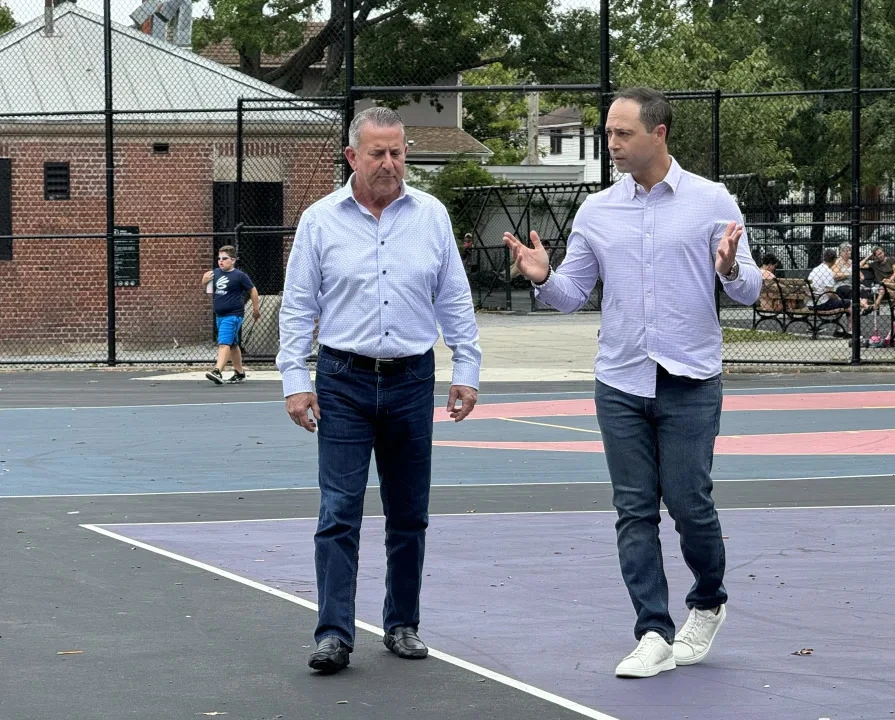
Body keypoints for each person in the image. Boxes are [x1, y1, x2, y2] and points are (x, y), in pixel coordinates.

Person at [505, 87, 761, 679]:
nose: (612, 144)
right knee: (634, 511)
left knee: (690, 504)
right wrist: (543, 278)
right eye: (609, 134)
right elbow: (571, 294)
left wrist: (728, 267)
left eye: (623, 134)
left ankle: (709, 598)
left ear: (659, 133)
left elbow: (748, 288)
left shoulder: (711, 200)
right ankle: (652, 631)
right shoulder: (597, 211)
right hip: (619, 380)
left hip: (691, 380)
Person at [276, 106, 481, 675]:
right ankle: (334, 635)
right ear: (352, 157)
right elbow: (297, 309)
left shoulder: (432, 217)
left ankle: (402, 624)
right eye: (378, 153)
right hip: (342, 381)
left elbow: (454, 300)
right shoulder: (320, 221)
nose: (390, 163)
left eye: (397, 152)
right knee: (338, 511)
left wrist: (467, 368)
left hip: (413, 378)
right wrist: (296, 380)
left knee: (408, 513)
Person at [201, 245, 260, 384]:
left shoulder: (239, 275)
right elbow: (210, 291)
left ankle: (217, 371)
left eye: (225, 259)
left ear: (233, 260)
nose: (221, 261)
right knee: (232, 344)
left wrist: (255, 309)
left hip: (233, 315)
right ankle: (239, 372)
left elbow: (252, 290)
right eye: (219, 259)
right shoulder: (215, 273)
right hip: (219, 315)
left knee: (224, 343)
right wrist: (205, 281)